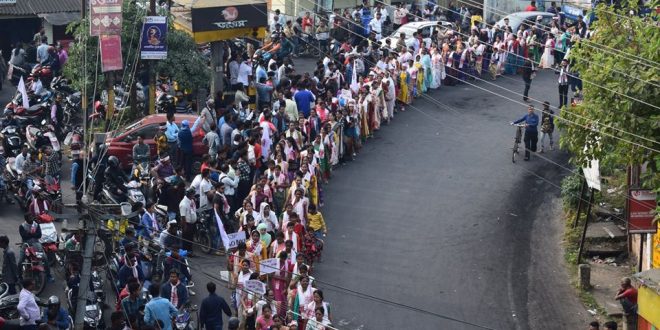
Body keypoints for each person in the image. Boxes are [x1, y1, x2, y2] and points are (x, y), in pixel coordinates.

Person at [179, 188, 197, 254]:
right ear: (189, 194)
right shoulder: (183, 204)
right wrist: (185, 226)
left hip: (192, 223)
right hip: (187, 224)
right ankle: (186, 252)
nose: (194, 195)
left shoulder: (191, 201)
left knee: (190, 238)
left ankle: (190, 251)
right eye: (193, 194)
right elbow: (183, 216)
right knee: (186, 239)